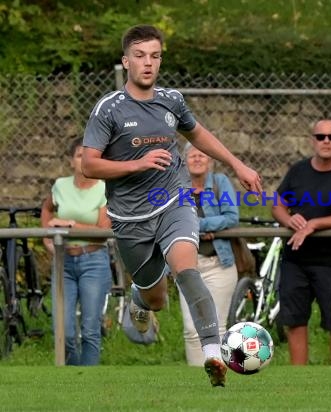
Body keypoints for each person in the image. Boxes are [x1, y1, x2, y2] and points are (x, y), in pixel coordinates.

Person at [81, 24, 262, 387]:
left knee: (187, 270)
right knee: (157, 298)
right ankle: (139, 298)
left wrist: (237, 164)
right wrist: (137, 163)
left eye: (155, 56)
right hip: (130, 216)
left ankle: (214, 356)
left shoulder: (172, 100)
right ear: (125, 61)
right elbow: (89, 164)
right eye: (140, 56)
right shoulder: (109, 109)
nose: (148, 63)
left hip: (173, 201)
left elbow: (197, 133)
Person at [272, 119, 331, 366]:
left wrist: (314, 224)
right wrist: (289, 219)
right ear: (312, 141)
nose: (326, 141)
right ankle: (300, 378)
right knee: (295, 320)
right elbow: (277, 204)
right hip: (295, 260)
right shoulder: (297, 170)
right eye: (320, 137)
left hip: (330, 261)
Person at [41, 137, 112, 366]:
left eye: (89, 156)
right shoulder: (60, 186)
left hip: (93, 260)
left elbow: (104, 229)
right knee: (64, 330)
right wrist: (47, 237)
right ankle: (72, 378)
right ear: (72, 161)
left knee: (90, 329)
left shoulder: (105, 188)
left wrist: (71, 225)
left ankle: (89, 382)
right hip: (64, 263)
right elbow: (46, 209)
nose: (84, 160)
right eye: (80, 155)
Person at [177, 142, 239, 366]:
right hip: (188, 267)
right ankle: (197, 377)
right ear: (184, 160)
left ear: (210, 161)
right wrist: (205, 228)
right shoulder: (176, 185)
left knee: (218, 327)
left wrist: (197, 226)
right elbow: (171, 220)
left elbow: (232, 217)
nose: (197, 159)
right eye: (192, 155)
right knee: (192, 329)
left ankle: (219, 372)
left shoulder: (221, 183)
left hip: (218, 263)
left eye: (202, 155)